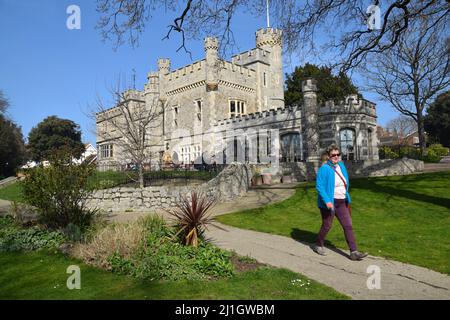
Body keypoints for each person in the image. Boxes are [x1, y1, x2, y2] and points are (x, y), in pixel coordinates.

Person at [313, 144, 368, 261]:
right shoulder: (324, 169)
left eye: (338, 154)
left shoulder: (341, 166)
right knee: (327, 226)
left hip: (342, 202)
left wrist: (345, 195)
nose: (336, 157)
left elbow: (345, 182)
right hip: (330, 203)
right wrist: (327, 201)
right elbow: (319, 186)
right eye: (333, 155)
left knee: (348, 225)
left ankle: (354, 252)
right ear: (328, 156)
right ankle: (318, 244)